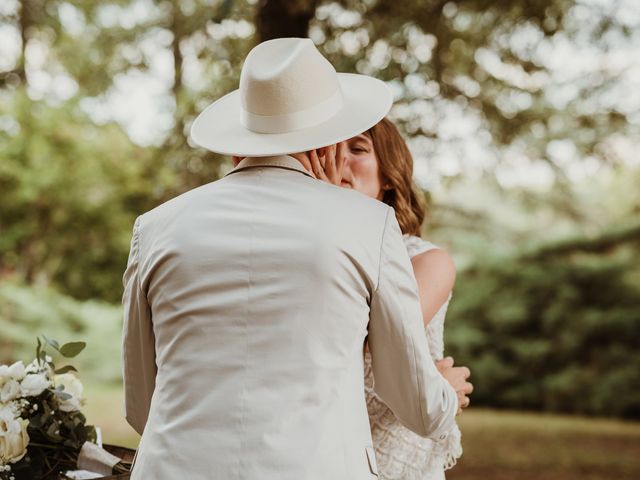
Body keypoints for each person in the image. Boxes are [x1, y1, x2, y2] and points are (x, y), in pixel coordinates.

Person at [121, 37, 472, 480]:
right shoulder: (368, 224)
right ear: (327, 147)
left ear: (237, 147)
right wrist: (443, 396)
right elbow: (419, 407)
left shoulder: (153, 227)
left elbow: (140, 406)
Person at [310, 118, 465, 479]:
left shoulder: (427, 261)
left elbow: (365, 336)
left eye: (358, 149)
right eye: (328, 148)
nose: (337, 159)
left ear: (389, 176)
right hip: (321, 454)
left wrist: (326, 207)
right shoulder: (300, 254)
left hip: (396, 457)